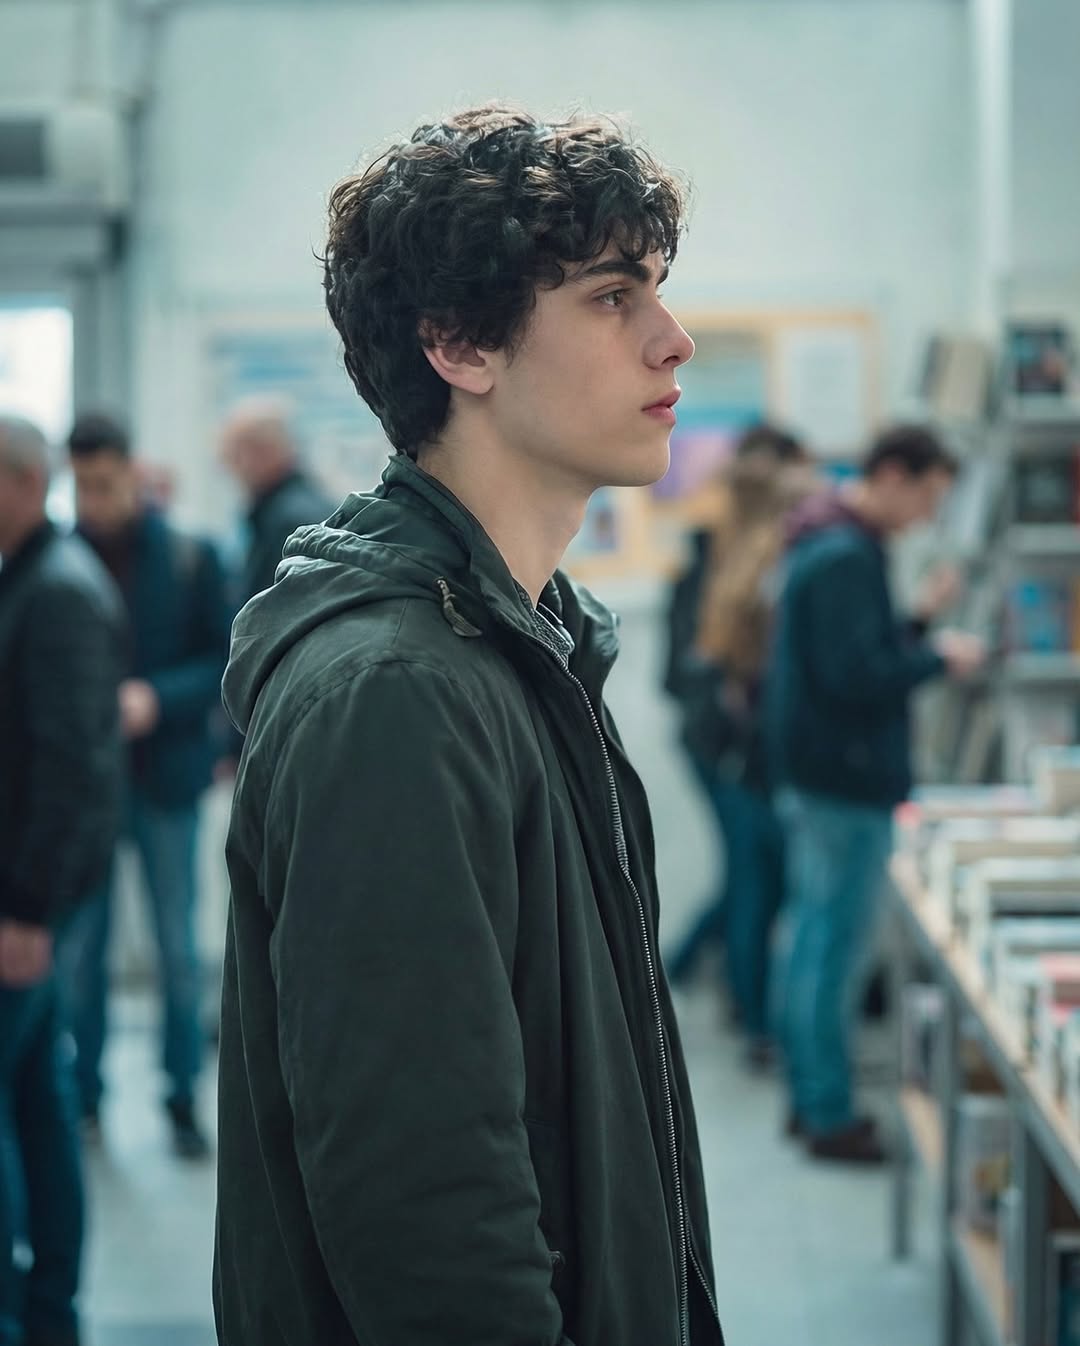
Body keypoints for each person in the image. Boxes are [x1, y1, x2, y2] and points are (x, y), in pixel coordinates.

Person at [213, 105, 724, 1346]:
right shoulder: (395, 692)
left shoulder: (526, 643)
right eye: (613, 298)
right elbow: (425, 1192)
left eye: (657, 289)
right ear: (459, 345)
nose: (674, 338)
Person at [767, 423, 984, 1163]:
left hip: (821, 774)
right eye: (926, 495)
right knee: (834, 950)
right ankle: (828, 1112)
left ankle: (811, 1099)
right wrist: (935, 657)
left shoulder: (831, 542)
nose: (927, 515)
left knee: (811, 941)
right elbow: (858, 676)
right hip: (843, 782)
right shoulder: (844, 555)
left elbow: (854, 653)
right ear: (892, 474)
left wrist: (918, 623)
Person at [59, 412, 230, 1160]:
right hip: (87, 792)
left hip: (165, 780)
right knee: (81, 955)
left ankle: (181, 1098)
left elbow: (225, 662)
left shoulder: (191, 556)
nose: (94, 499)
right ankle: (85, 1099)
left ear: (131, 469)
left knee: (174, 948)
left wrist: (154, 698)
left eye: (104, 482)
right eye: (82, 485)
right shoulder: (61, 558)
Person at [0, 413, 125, 1346]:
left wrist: (28, 911)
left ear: (17, 484)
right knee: (37, 1104)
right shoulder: (34, 581)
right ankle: (46, 1317)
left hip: (30, 905)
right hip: (31, 899)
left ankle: (31, 1312)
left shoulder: (56, 593)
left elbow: (73, 766)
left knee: (24, 1111)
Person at [663, 425, 807, 1010]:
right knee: (752, 876)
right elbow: (679, 673)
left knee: (754, 875)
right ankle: (739, 1002)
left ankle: (687, 963)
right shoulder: (716, 564)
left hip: (742, 746)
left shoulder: (760, 561)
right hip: (722, 747)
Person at [218, 397, 335, 605]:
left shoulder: (291, 521)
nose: (231, 469)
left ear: (265, 450)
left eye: (234, 454)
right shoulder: (295, 509)